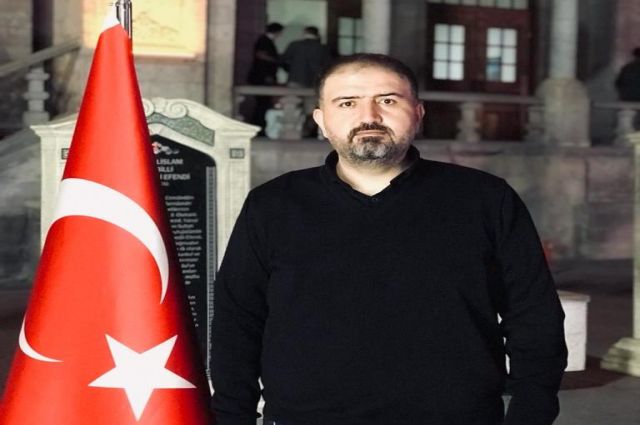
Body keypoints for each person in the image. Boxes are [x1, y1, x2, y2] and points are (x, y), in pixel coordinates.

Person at [211, 54, 567, 425]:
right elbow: (238, 320)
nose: (370, 116)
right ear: (321, 120)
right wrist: (232, 417)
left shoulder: (486, 199)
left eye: (387, 100)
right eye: (347, 103)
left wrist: (531, 413)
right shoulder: (272, 205)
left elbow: (533, 315)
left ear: (418, 113)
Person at [281, 26, 331, 138]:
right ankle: (308, 133)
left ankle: (290, 134)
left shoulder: (294, 45)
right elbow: (328, 66)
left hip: (295, 80)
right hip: (314, 83)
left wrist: (291, 70)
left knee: (292, 106)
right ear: (317, 34)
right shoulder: (322, 48)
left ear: (305, 33)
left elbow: (283, 61)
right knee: (311, 111)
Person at [247, 22, 284, 134]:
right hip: (262, 77)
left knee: (262, 104)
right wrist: (275, 60)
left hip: (261, 76)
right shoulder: (264, 41)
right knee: (262, 104)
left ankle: (259, 126)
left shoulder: (264, 40)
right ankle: (258, 126)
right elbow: (261, 56)